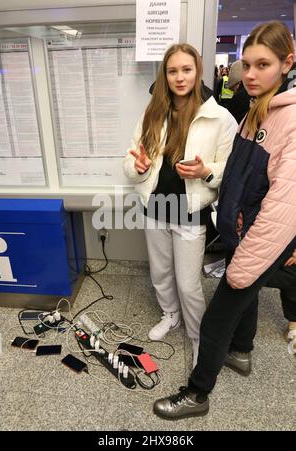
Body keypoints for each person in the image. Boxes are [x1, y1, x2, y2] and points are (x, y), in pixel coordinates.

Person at [153, 21, 296, 420]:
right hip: (238, 230)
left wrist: (245, 261)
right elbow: (236, 175)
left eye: (262, 64)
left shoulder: (290, 122)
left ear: (288, 62)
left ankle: (197, 394)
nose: (250, 75)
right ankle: (242, 352)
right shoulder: (258, 110)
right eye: (246, 64)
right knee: (245, 301)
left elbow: (285, 206)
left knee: (218, 316)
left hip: (259, 238)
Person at [123, 43, 237, 365]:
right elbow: (131, 160)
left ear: (197, 71)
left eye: (186, 70)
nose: (179, 77)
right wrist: (139, 167)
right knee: (160, 273)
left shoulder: (220, 118)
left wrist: (206, 171)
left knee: (188, 285)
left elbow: (226, 170)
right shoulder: (152, 111)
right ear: (165, 75)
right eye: (172, 71)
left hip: (190, 211)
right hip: (155, 207)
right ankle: (170, 315)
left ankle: (200, 337)